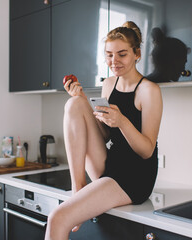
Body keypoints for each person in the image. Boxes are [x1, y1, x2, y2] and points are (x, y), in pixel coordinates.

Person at [45, 21, 163, 240]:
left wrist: (123, 122)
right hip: (110, 164)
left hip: (135, 177)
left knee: (57, 218)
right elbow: (107, 135)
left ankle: (76, 200)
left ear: (137, 53)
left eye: (122, 54)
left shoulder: (149, 91)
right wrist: (82, 101)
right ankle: (77, 187)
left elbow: (147, 151)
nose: (114, 61)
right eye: (109, 55)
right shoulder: (109, 84)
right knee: (74, 104)